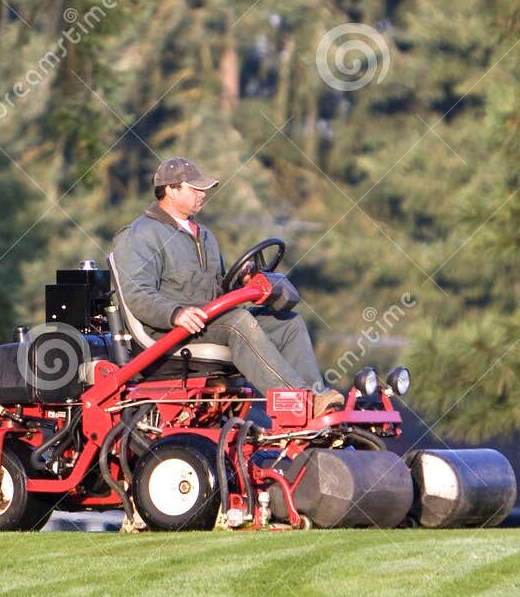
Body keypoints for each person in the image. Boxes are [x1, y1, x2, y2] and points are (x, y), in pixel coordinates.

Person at [110, 157, 346, 416]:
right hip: (169, 332)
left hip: (209, 321)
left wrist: (241, 282)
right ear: (170, 189)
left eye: (204, 189)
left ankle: (317, 398)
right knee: (239, 323)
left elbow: (218, 290)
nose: (203, 195)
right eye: (195, 189)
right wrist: (176, 313)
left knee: (288, 322)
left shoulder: (205, 236)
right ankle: (301, 403)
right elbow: (138, 294)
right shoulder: (142, 234)